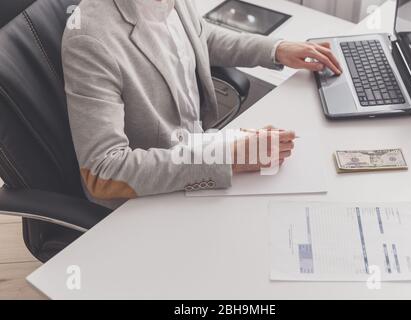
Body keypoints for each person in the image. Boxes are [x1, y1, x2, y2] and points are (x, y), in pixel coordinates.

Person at [62, 0, 342, 208]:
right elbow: (102, 173)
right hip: (148, 194)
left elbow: (200, 36)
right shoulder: (89, 38)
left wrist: (275, 50)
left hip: (197, 151)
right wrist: (227, 157)